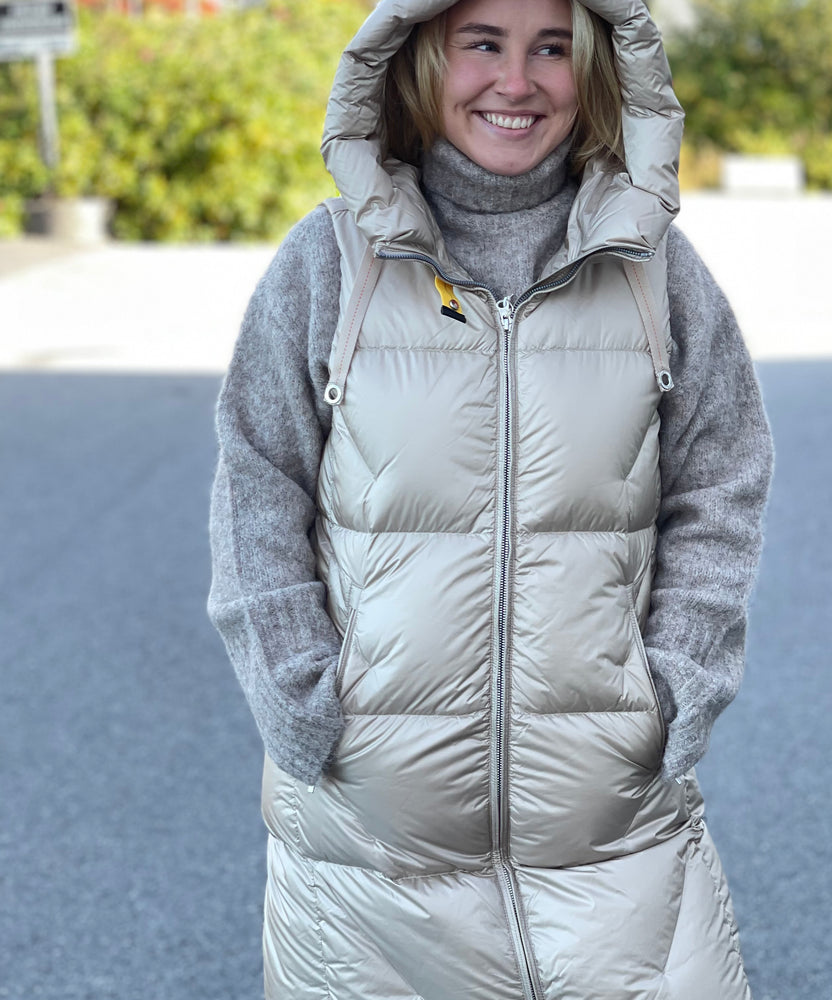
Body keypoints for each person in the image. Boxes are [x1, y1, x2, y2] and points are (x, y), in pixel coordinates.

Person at [208, 0, 774, 996]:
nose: (516, 82)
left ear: (592, 69)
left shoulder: (653, 269)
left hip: (614, 841)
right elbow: (258, 477)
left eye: (551, 48)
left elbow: (722, 472)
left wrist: (678, 675)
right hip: (368, 854)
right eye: (483, 44)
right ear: (421, 61)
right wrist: (299, 688)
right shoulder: (330, 263)